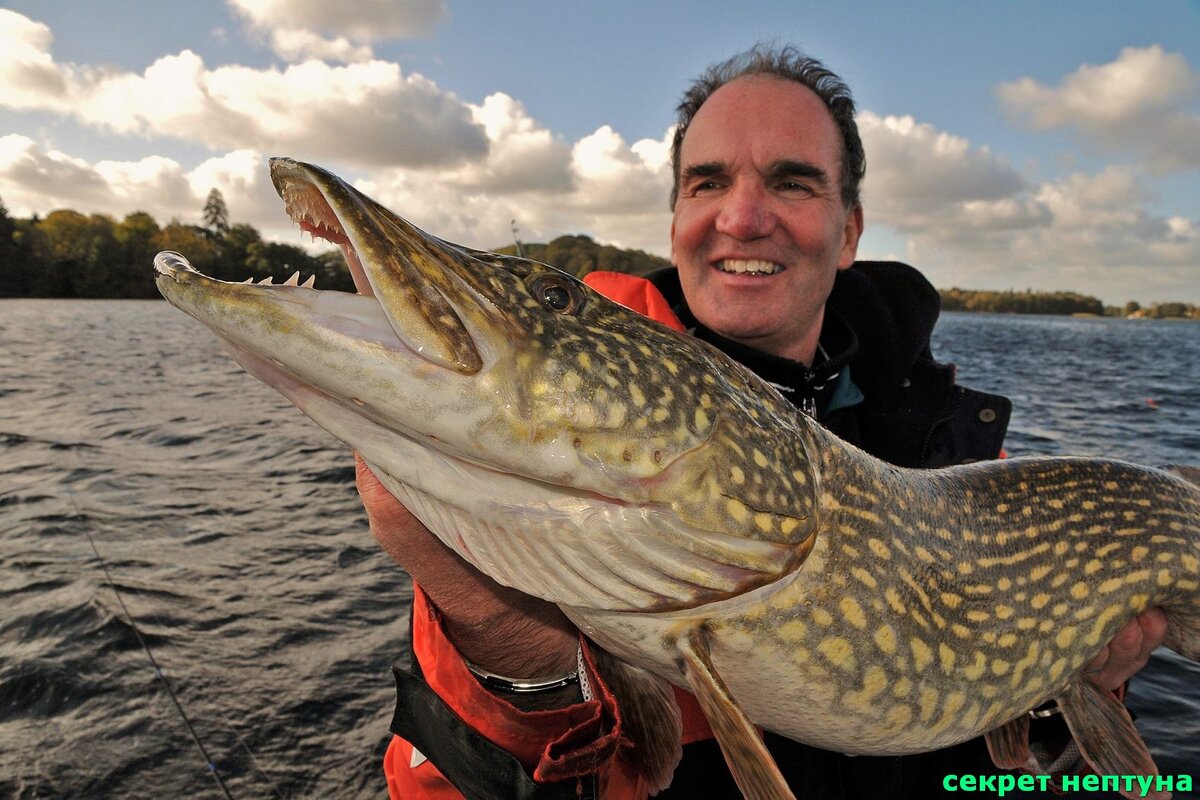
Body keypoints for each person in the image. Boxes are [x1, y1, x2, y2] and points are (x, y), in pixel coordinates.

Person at [356, 45, 1168, 799]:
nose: (742, 218)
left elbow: (1024, 772)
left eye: (791, 181)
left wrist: (1068, 700)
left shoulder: (959, 448)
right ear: (675, 221)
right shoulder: (576, 459)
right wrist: (506, 640)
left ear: (848, 230)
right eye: (707, 183)